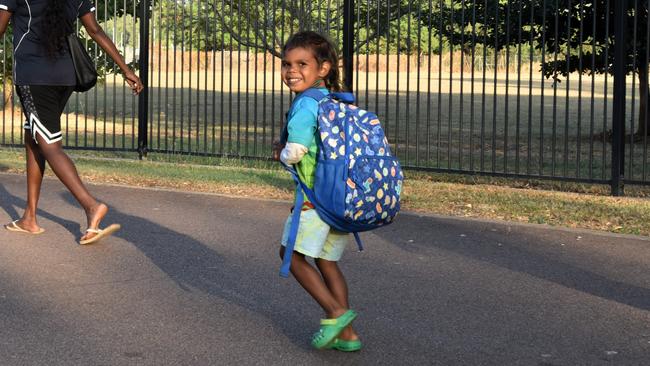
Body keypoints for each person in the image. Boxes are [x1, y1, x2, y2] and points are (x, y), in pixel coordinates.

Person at [1, 0, 143, 244]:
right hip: (65, 76)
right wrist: (125, 69)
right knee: (34, 137)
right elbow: (95, 30)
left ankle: (91, 206)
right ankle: (29, 218)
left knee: (49, 144)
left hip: (34, 76)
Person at [274, 31, 361, 352]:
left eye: (301, 64)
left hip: (315, 200)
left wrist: (281, 152)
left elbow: (296, 151)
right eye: (286, 64)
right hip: (342, 198)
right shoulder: (334, 99)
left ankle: (336, 313)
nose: (291, 71)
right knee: (327, 262)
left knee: (291, 255)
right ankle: (349, 335)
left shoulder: (305, 104)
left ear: (323, 68)